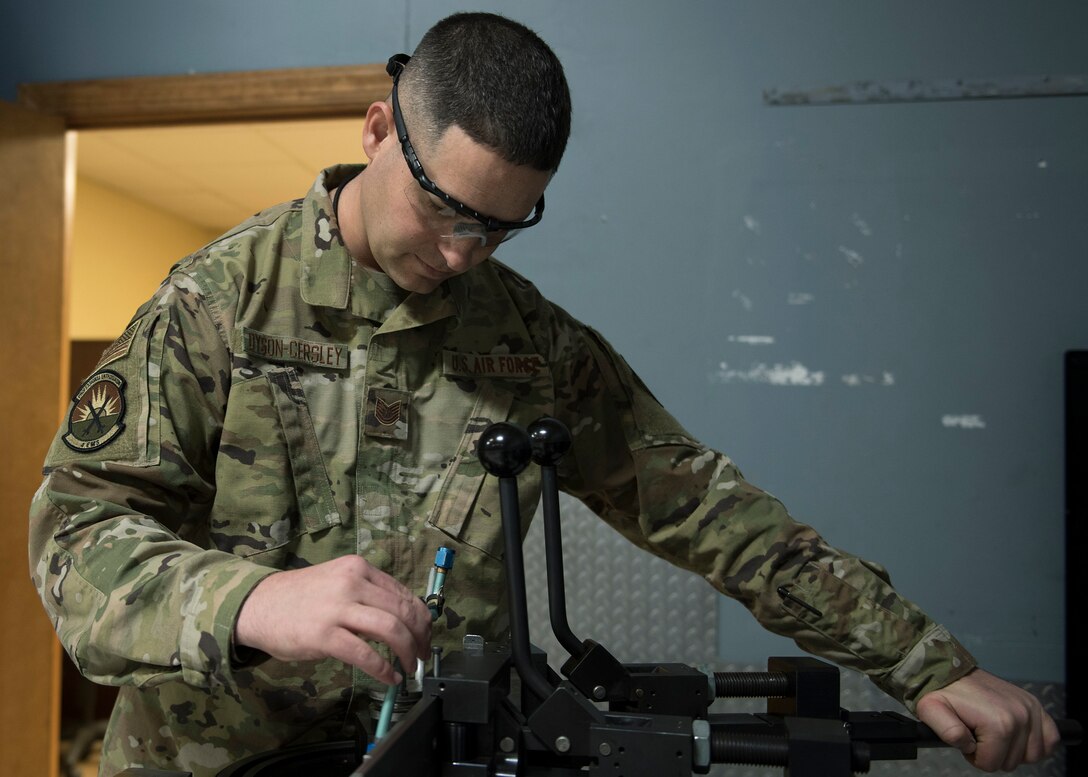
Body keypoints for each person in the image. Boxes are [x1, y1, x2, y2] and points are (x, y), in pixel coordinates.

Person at [29, 12, 1058, 777]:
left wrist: (922, 663)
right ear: (380, 129)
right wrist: (254, 599)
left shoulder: (526, 342)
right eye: (443, 209)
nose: (460, 250)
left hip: (431, 758)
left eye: (498, 226)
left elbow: (711, 512)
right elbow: (73, 544)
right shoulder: (219, 305)